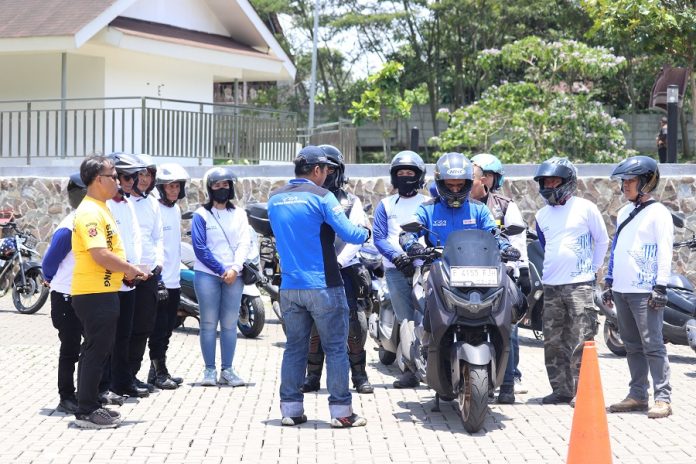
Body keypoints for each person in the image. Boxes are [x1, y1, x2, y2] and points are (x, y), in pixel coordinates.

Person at [268, 145, 370, 428]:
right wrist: (367, 231)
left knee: (294, 348)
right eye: (326, 169)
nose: (328, 175)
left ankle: (290, 410)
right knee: (336, 348)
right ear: (316, 170)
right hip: (324, 285)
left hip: (289, 286)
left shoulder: (274, 198)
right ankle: (341, 413)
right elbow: (350, 233)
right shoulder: (323, 197)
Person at [399, 152, 521, 368]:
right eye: (450, 185)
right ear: (440, 184)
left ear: (468, 183)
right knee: (425, 300)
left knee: (508, 303)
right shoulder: (427, 208)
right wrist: (412, 244)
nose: (455, 189)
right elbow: (407, 233)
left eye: (460, 185)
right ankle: (425, 345)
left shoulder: (479, 209)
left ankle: (507, 370)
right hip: (439, 271)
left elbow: (494, 233)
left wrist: (507, 247)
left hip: (477, 272)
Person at [70, 155, 146, 429]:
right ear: (97, 179)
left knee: (99, 350)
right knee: (95, 350)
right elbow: (99, 253)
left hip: (103, 292)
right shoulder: (90, 212)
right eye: (113, 176)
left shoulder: (101, 208)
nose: (117, 180)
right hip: (93, 294)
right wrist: (129, 269)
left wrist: (127, 269)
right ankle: (86, 411)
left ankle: (91, 404)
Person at [533, 157, 609, 405]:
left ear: (567, 182)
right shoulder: (541, 215)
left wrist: (594, 269)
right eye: (546, 181)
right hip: (551, 286)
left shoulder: (586, 208)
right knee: (553, 341)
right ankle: (561, 390)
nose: (549, 186)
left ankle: (584, 392)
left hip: (580, 285)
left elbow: (603, 240)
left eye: (554, 181)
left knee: (582, 340)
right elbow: (545, 245)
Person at [301, 145, 374, 395]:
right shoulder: (306, 199)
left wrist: (338, 262)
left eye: (331, 168)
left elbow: (357, 236)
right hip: (313, 271)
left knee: (351, 324)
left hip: (343, 270)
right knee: (313, 324)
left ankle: (359, 375)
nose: (327, 172)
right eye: (323, 167)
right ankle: (312, 376)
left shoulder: (351, 202)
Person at [605, 156, 673, 419]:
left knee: (653, 345)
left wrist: (661, 287)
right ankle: (637, 394)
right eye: (623, 181)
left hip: (645, 291)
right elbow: (616, 249)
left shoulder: (659, 214)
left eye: (631, 181)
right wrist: (610, 282)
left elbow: (664, 254)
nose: (625, 186)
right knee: (631, 345)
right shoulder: (624, 212)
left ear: (647, 182)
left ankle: (663, 398)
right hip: (622, 290)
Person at [471, 153, 529, 404]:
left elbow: (518, 241)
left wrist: (521, 269)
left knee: (508, 328)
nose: (485, 179)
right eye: (480, 174)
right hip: (470, 276)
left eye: (489, 175)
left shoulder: (505, 205)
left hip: (502, 275)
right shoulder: (460, 204)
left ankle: (508, 382)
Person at [373, 150, 428, 389]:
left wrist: (418, 258)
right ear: (394, 177)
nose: (406, 176)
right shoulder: (385, 205)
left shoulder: (428, 204)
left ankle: (432, 364)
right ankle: (409, 369)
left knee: (424, 316)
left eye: (410, 173)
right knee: (405, 317)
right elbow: (379, 237)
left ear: (419, 176)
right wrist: (397, 258)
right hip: (395, 270)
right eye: (401, 173)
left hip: (423, 267)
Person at [191, 167, 250, 387]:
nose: (222, 189)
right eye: (217, 185)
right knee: (207, 323)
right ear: (210, 188)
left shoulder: (240, 214)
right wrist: (221, 270)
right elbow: (200, 247)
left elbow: (245, 242)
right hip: (207, 274)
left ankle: (227, 369)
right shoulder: (201, 214)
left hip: (235, 275)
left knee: (229, 323)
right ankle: (209, 370)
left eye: (226, 185)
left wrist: (235, 268)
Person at [42, 173, 87, 414]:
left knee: (90, 346)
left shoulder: (92, 221)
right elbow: (49, 263)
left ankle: (88, 391)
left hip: (86, 294)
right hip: (66, 297)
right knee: (70, 348)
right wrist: (49, 278)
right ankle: (66, 396)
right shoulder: (69, 228)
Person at [105, 153, 149, 399]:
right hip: (111, 281)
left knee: (125, 334)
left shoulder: (128, 204)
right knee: (107, 337)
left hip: (130, 279)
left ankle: (122, 381)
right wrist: (122, 269)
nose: (131, 181)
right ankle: (105, 385)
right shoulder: (105, 205)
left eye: (134, 176)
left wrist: (135, 269)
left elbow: (135, 238)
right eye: (125, 176)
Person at [146, 163, 190, 390]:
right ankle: (159, 373)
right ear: (161, 188)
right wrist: (159, 278)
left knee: (167, 328)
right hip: (159, 280)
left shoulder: (176, 209)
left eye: (177, 186)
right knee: (156, 328)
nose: (174, 190)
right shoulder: (154, 208)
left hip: (175, 278)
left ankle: (157, 372)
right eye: (169, 186)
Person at [128, 154, 165, 393]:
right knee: (122, 330)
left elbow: (157, 236)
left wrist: (158, 262)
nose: (143, 179)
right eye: (139, 174)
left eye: (148, 174)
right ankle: (114, 377)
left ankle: (132, 375)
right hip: (126, 275)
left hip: (149, 275)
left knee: (143, 328)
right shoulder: (119, 201)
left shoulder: (153, 202)